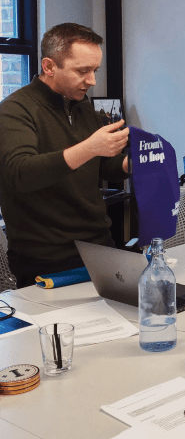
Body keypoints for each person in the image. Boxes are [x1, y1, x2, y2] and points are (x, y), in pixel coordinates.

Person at [0, 23, 130, 288]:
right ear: (49, 67)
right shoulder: (14, 111)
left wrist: (134, 162)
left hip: (99, 246)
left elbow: (104, 166)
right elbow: (22, 173)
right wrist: (90, 147)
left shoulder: (82, 109)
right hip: (45, 259)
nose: (92, 80)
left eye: (95, 70)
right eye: (82, 71)